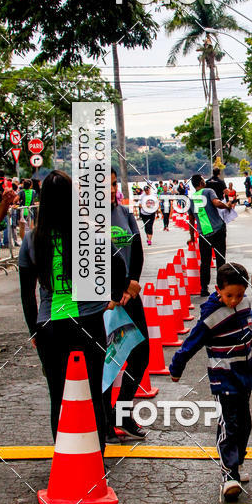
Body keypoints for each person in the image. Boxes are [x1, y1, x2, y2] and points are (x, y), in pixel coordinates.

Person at [18, 170, 129, 452]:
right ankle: (94, 459)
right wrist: (111, 297)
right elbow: (119, 268)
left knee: (58, 394)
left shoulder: (32, 240)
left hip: (50, 325)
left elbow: (27, 294)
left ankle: (67, 456)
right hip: (88, 322)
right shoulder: (91, 233)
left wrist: (33, 329)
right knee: (92, 391)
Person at [169, 263, 252, 500]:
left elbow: (248, 319)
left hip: (245, 374)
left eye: (239, 295)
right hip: (224, 378)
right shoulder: (211, 316)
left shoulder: (245, 303)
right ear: (218, 290)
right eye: (229, 296)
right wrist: (177, 365)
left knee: (245, 423)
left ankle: (236, 464)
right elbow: (191, 343)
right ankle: (229, 474)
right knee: (229, 424)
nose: (234, 300)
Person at [107, 167, 149, 440]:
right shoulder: (82, 219)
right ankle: (102, 421)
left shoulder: (124, 212)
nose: (111, 191)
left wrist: (133, 281)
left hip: (129, 293)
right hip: (103, 301)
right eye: (105, 187)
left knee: (141, 352)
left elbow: (137, 248)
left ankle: (121, 412)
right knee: (104, 362)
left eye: (113, 185)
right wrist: (112, 292)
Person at [188, 174, 232, 297]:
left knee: (205, 262)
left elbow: (191, 219)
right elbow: (217, 203)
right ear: (201, 182)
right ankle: (222, 286)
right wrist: (227, 205)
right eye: (203, 179)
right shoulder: (208, 191)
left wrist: (192, 237)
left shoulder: (191, 198)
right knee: (220, 259)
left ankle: (204, 288)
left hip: (204, 233)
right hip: (218, 229)